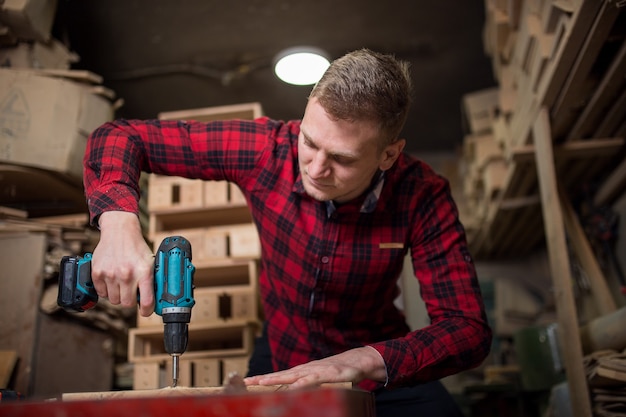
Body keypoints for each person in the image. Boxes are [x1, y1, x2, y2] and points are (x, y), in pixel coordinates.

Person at [83, 48, 492, 416]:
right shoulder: (266, 150)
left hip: (374, 355)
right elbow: (117, 136)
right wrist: (117, 221)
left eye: (342, 159)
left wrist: (363, 361)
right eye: (309, 142)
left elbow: (467, 328)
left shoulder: (422, 195)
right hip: (282, 352)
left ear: (389, 154)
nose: (315, 169)